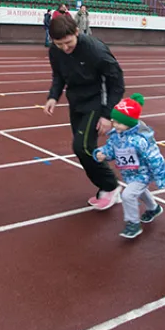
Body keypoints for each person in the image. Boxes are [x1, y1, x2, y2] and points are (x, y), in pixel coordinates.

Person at [45, 14, 125, 210]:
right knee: (84, 149)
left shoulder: (95, 50)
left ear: (77, 32)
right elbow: (59, 76)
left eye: (68, 42)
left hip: (97, 101)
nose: (65, 48)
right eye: (59, 44)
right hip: (76, 102)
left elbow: (116, 83)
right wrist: (53, 96)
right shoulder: (55, 52)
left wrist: (107, 115)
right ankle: (106, 187)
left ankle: (111, 187)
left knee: (82, 147)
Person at [93, 93, 165, 239]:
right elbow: (111, 148)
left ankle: (133, 223)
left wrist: (162, 177)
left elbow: (154, 157)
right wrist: (102, 153)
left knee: (128, 195)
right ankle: (153, 208)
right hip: (129, 172)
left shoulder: (139, 140)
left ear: (130, 122)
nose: (115, 125)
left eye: (119, 123)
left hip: (142, 173)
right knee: (139, 191)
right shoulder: (117, 135)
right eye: (114, 121)